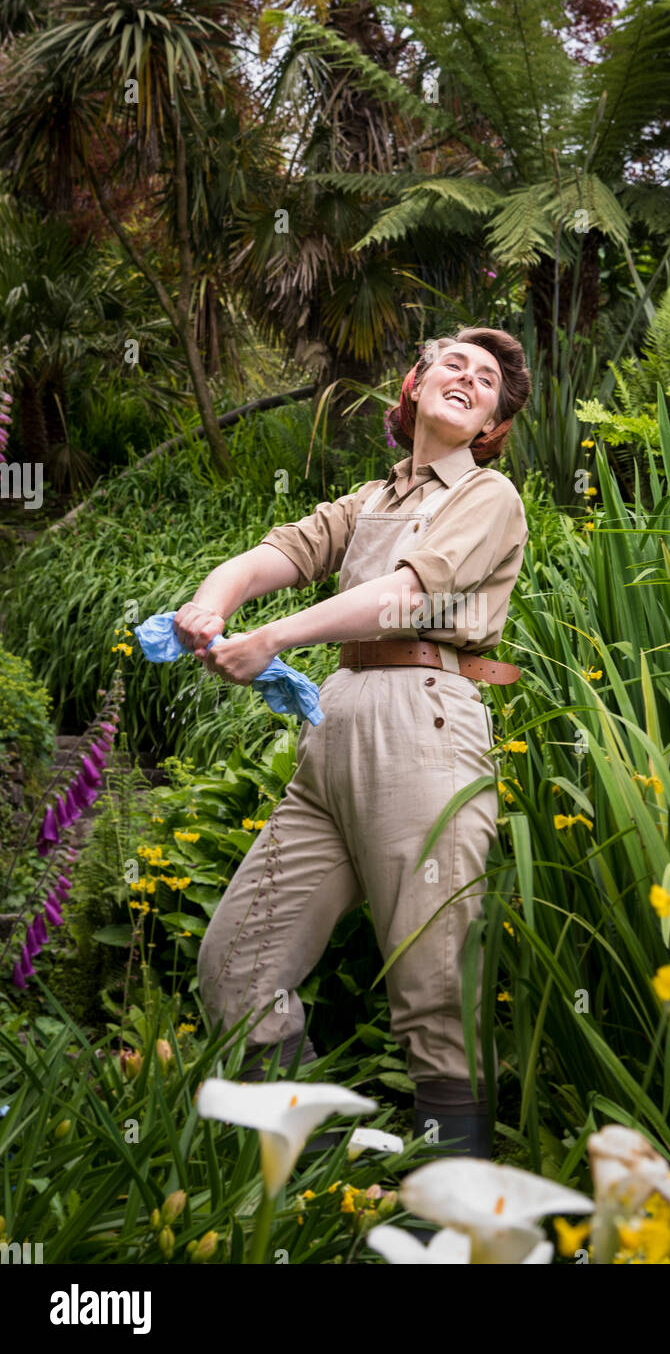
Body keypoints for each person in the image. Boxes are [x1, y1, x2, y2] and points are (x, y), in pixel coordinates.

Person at [175, 326, 531, 1158]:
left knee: (435, 980)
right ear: (411, 387)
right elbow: (277, 553)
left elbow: (403, 598)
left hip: (426, 722)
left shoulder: (486, 496)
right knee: (235, 967)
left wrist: (272, 640)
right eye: (452, 363)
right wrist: (210, 602)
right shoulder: (370, 500)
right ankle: (332, 1163)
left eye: (485, 382)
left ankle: (455, 1200)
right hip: (331, 734)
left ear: (487, 425)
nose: (468, 379)